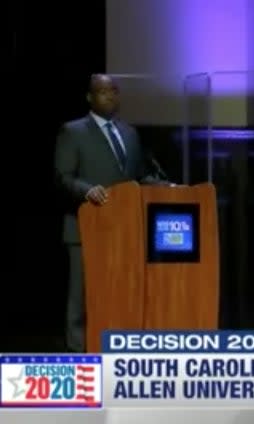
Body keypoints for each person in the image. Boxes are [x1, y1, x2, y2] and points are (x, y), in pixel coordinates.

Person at [54, 74, 163, 352]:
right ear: (90, 97)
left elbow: (138, 177)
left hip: (124, 229)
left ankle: (114, 349)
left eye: (114, 91)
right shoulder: (73, 131)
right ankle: (78, 352)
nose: (111, 96)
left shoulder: (129, 132)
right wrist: (87, 190)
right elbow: (63, 176)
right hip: (85, 227)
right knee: (81, 296)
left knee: (117, 292)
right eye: (103, 92)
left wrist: (170, 187)